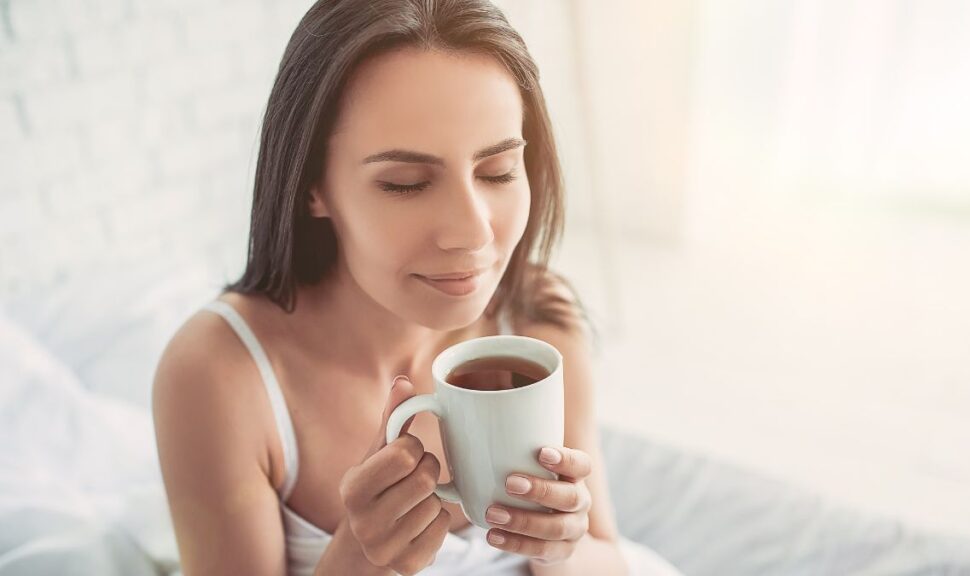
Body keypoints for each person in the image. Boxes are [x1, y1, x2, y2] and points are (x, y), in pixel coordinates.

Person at [153, 1, 683, 574]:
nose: (473, 232)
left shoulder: (536, 322)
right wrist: (358, 559)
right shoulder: (218, 375)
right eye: (406, 184)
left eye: (498, 172)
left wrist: (560, 547)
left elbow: (607, 555)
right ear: (312, 188)